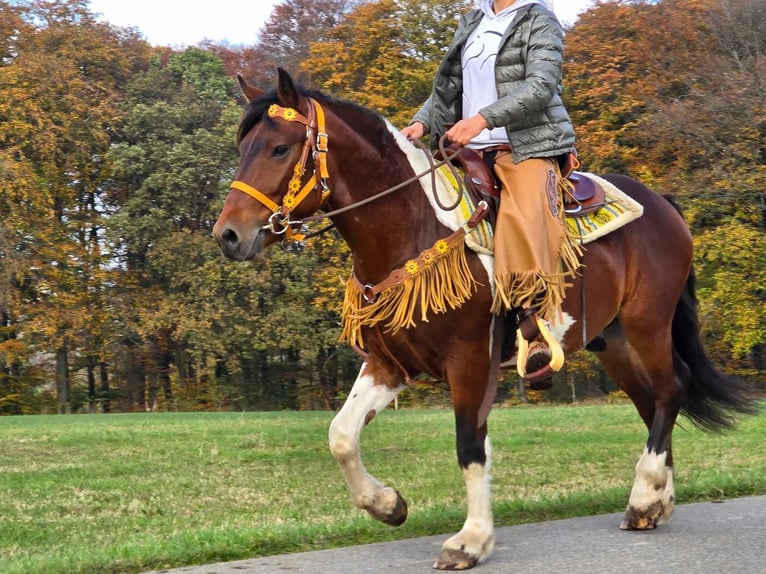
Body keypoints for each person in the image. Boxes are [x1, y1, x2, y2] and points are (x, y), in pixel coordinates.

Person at [400, 0, 581, 387]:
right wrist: (422, 121)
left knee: (526, 213)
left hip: (526, 144)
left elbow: (541, 85)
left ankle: (535, 328)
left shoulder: (539, 17)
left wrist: (483, 119)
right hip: (465, 146)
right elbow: (451, 87)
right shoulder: (475, 19)